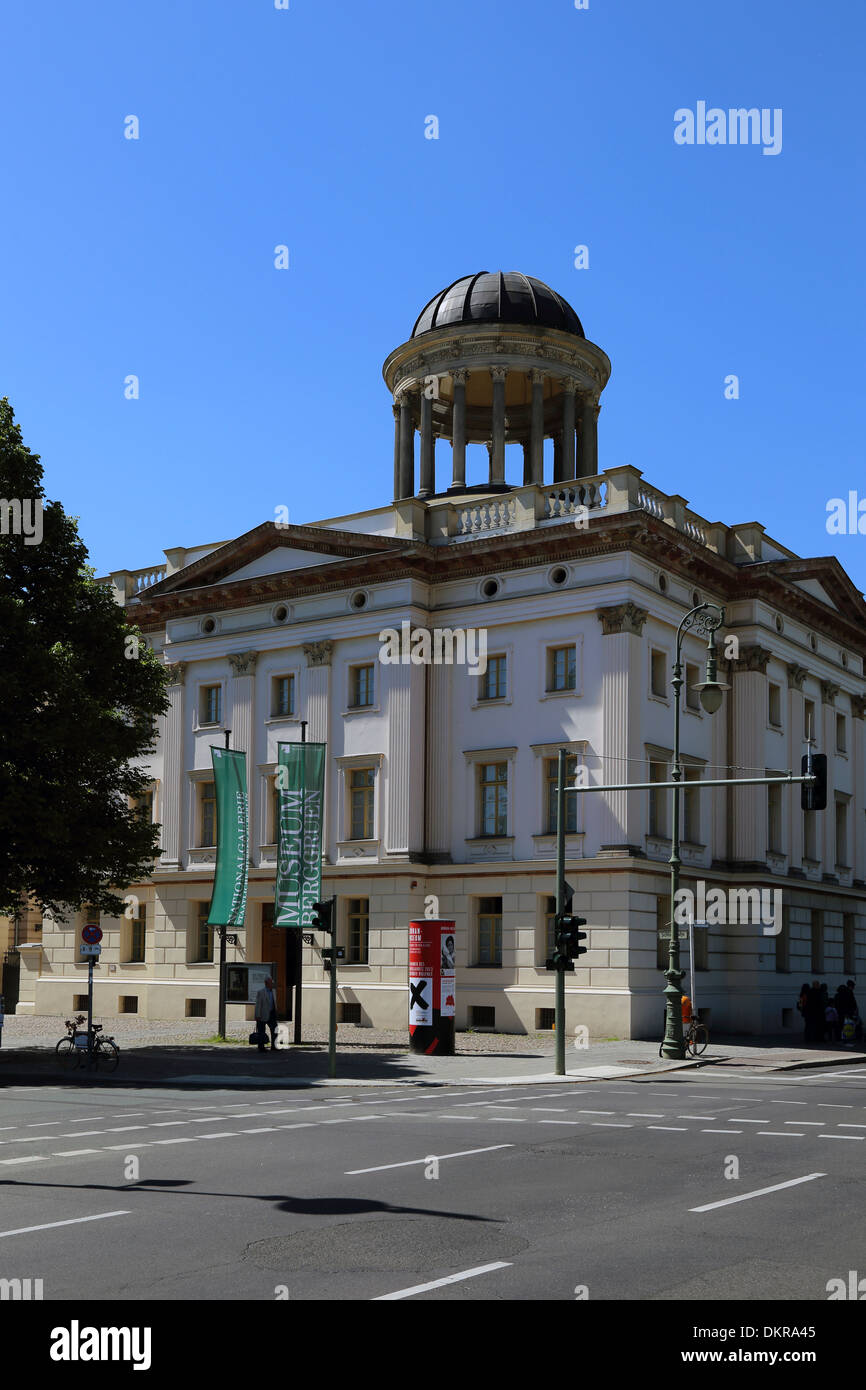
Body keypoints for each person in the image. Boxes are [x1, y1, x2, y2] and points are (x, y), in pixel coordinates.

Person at [254, 976, 278, 1052]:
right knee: (261, 1031)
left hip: (272, 1014)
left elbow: (274, 1002)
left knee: (275, 1030)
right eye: (271, 982)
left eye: (272, 982)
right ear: (266, 983)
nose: (272, 984)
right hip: (262, 1014)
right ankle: (261, 1047)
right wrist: (257, 1015)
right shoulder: (261, 992)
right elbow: (258, 1005)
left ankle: (274, 1046)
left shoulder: (273, 991)